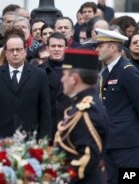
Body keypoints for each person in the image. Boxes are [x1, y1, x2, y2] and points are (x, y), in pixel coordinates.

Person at [54, 48, 109, 184]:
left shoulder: (87, 110)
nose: (61, 79)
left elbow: (86, 160)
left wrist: (59, 178)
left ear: (74, 79)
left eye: (64, 74)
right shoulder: (81, 104)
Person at [0, 34, 52, 140]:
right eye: (11, 50)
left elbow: (45, 110)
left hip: (30, 137)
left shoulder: (39, 75)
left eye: (18, 49)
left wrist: (44, 139)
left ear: (25, 51)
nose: (15, 53)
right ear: (5, 53)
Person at [95, 28, 139, 184]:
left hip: (127, 144)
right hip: (109, 142)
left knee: (129, 180)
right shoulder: (105, 72)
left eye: (100, 46)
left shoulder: (127, 71)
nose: (96, 49)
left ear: (113, 47)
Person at [38, 32, 71, 144]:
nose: (56, 49)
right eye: (53, 46)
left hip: (69, 127)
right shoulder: (37, 71)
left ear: (66, 48)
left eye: (60, 46)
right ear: (47, 48)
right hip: (46, 129)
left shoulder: (76, 71)